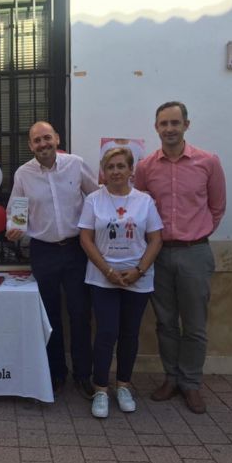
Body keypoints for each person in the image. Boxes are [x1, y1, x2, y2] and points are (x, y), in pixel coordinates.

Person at [135, 101, 226, 414]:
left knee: (195, 325)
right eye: (164, 123)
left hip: (195, 253)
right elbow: (140, 207)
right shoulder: (145, 167)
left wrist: (196, 234)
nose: (169, 129)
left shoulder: (208, 162)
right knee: (165, 323)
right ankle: (171, 378)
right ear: (156, 127)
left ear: (187, 125)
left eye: (175, 123)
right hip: (159, 254)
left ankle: (191, 383)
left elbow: (217, 207)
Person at [6, 121, 99, 398]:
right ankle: (56, 373)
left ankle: (84, 375)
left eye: (47, 138)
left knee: (80, 315)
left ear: (57, 138)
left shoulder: (75, 164)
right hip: (43, 251)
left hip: (75, 249)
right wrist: (14, 229)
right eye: (37, 140)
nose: (43, 144)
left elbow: (96, 198)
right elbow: (17, 213)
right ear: (30, 145)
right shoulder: (23, 174)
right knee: (49, 316)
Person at [78, 147, 163, 418]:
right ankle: (101, 388)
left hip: (137, 279)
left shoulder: (145, 201)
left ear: (131, 170)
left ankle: (123, 385)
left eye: (121, 166)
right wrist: (107, 271)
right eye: (110, 167)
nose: (115, 171)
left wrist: (139, 270)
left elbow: (156, 239)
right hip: (103, 278)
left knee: (129, 333)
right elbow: (86, 238)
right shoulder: (94, 200)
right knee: (106, 333)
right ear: (103, 171)